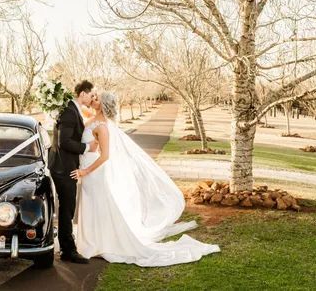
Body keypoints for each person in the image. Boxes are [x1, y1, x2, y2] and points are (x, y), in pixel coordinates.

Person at [71, 91, 220, 267]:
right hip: (87, 169)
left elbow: (105, 156)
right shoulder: (93, 120)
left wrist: (85, 171)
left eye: (97, 99)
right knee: (92, 205)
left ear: (103, 105)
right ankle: (91, 241)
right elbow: (93, 146)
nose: (93, 100)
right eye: (94, 97)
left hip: (93, 173)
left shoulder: (102, 126)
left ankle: (98, 243)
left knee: (97, 204)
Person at [48, 80, 96, 264]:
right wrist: (87, 147)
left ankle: (66, 247)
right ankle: (68, 250)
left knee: (66, 208)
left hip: (62, 165)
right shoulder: (69, 111)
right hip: (64, 167)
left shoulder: (71, 109)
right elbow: (64, 142)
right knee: (67, 208)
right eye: (91, 94)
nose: (92, 98)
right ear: (82, 93)